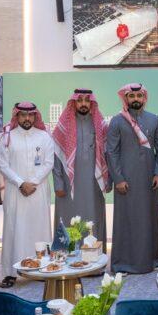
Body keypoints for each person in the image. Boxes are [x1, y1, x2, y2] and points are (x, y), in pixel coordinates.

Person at [106, 83, 158, 274]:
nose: (136, 99)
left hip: (149, 180)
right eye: (132, 96)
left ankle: (152, 259)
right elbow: (111, 152)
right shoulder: (117, 121)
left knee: (148, 219)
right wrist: (118, 179)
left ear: (144, 98)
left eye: (139, 95)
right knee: (127, 220)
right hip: (126, 181)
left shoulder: (154, 119)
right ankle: (124, 263)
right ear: (126, 98)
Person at [0, 102, 55, 288]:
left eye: (30, 115)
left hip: (38, 191)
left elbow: (49, 162)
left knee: (39, 229)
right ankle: (10, 273)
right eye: (23, 115)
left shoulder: (44, 136)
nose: (27, 118)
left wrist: (33, 182)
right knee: (13, 230)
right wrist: (21, 183)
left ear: (35, 116)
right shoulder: (7, 137)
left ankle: (42, 268)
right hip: (15, 191)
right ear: (17, 116)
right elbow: (2, 164)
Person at [52, 89, 110, 248]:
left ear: (91, 102)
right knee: (69, 220)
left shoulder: (100, 125)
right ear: (74, 102)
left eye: (87, 100)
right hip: (68, 185)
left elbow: (107, 154)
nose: (83, 104)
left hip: (93, 184)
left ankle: (94, 258)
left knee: (93, 219)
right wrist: (58, 184)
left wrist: (108, 180)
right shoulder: (64, 125)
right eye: (80, 100)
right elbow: (56, 156)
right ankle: (67, 257)